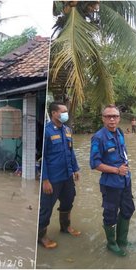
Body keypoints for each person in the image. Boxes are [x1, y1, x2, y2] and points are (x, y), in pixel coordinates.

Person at [90, 105, 134, 257]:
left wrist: (125, 170)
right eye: (108, 116)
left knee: (128, 209)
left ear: (119, 118)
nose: (112, 119)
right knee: (110, 214)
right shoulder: (99, 137)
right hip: (111, 184)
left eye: (115, 116)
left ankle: (122, 240)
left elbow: (123, 153)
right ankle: (111, 243)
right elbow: (94, 164)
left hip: (126, 180)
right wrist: (116, 170)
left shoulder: (120, 132)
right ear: (103, 118)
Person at [38, 102, 81, 249]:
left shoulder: (67, 130)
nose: (65, 114)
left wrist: (75, 169)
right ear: (54, 113)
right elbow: (42, 158)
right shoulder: (46, 132)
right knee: (46, 208)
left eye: (66, 111)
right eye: (63, 111)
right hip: (52, 178)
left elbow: (71, 152)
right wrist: (45, 180)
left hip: (67, 176)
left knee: (68, 201)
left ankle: (65, 227)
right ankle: (41, 236)